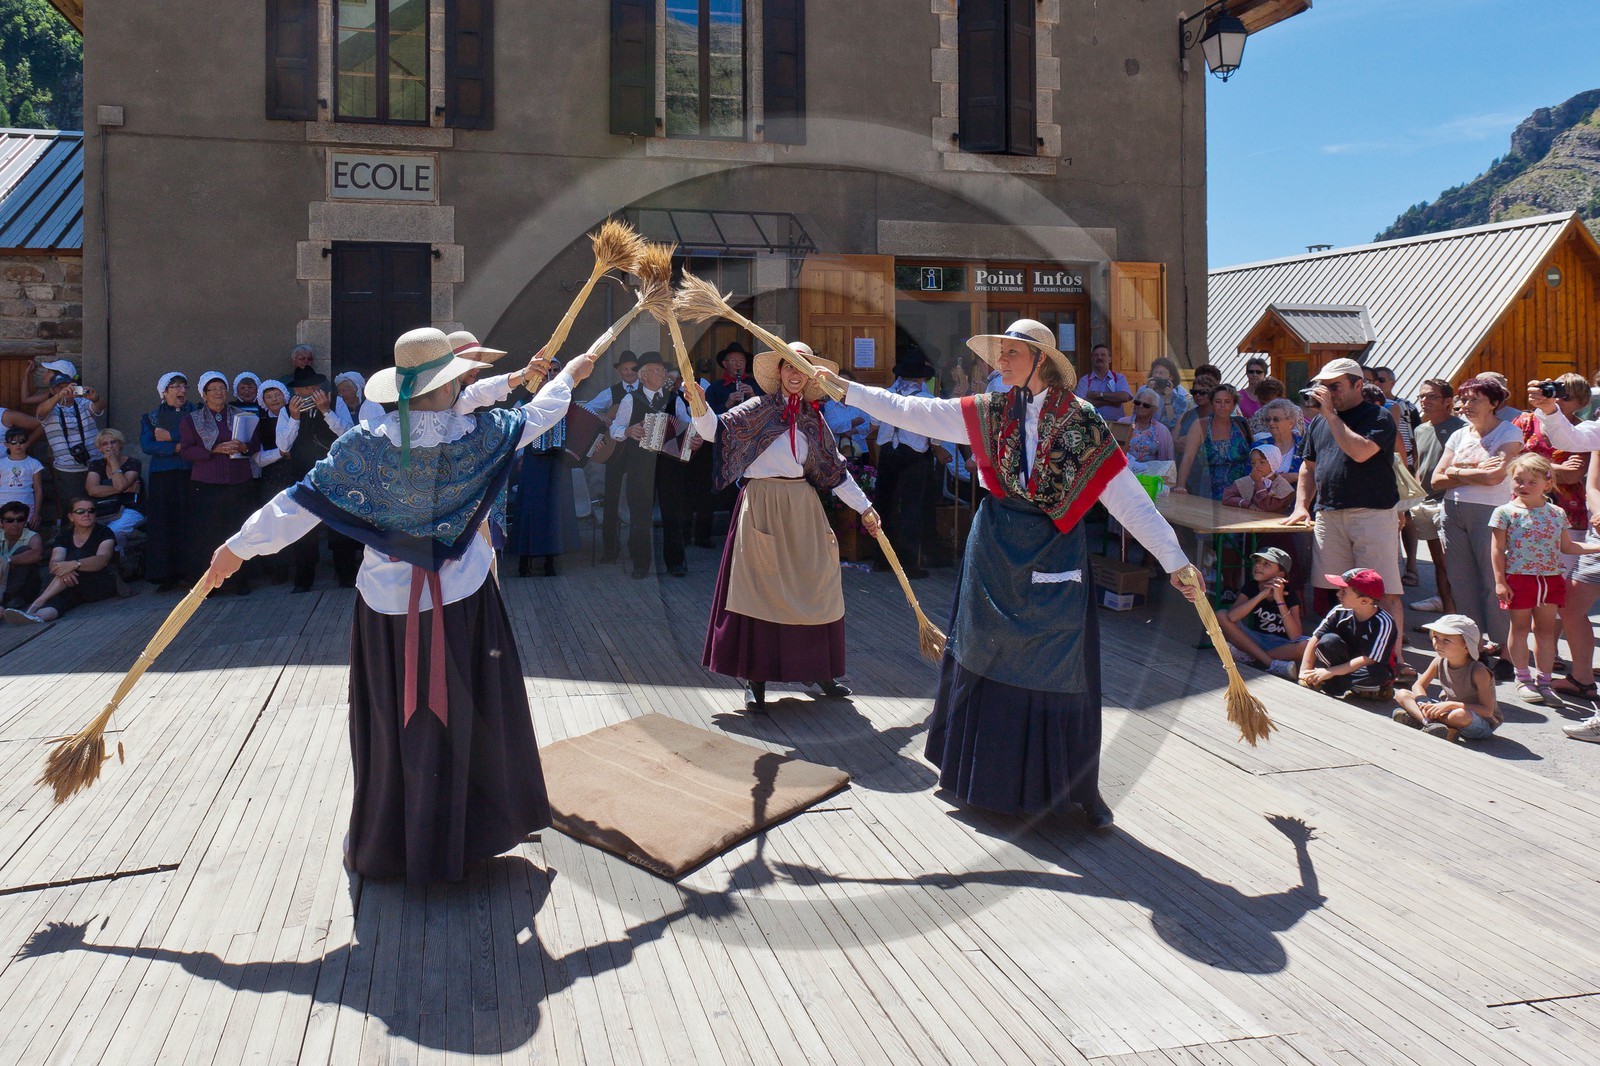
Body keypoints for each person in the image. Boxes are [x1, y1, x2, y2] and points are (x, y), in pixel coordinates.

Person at [205, 327, 596, 883]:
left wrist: (236, 549)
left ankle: (397, 837)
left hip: (388, 609)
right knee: (473, 711)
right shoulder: (477, 435)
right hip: (463, 602)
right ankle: (473, 831)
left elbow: (295, 505)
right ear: (445, 384)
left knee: (396, 720)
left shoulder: (364, 445)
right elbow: (543, 414)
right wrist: (570, 375)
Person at [818, 318, 1199, 828]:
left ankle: (1072, 788)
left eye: (1011, 352)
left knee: (1057, 666)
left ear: (1041, 359)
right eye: (998, 352)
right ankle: (977, 779)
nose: (999, 360)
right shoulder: (990, 412)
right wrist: (845, 388)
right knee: (983, 653)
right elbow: (914, 412)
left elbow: (1127, 497)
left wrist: (1174, 560)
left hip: (1055, 554)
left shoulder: (1082, 422)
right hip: (994, 551)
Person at [683, 343, 880, 713]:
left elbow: (835, 472)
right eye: (790, 366)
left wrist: (866, 509)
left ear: (809, 377)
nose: (795, 374)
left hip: (802, 508)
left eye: (803, 368)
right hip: (762, 506)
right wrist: (697, 401)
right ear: (779, 371)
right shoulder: (756, 409)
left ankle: (819, 670)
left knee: (816, 587)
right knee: (759, 592)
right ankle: (754, 680)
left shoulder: (813, 420)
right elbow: (713, 431)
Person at [1282, 358, 1406, 654]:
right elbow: (1308, 468)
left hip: (1372, 514)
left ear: (1358, 385)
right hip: (1330, 513)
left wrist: (1330, 415)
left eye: (1335, 386)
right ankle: (1354, 652)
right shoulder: (1320, 423)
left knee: (1383, 591)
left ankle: (1393, 657)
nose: (1328, 392)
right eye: (1323, 386)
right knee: (1342, 592)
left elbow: (1361, 452)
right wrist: (1302, 506)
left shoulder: (1378, 416)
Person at [1512, 373, 1598, 701]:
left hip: (1578, 524)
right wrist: (1548, 408)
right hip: (1593, 534)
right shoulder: (1596, 427)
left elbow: (1575, 470)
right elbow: (1569, 441)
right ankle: (1581, 679)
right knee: (1571, 606)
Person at [1491, 453, 1600, 704]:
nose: (1524, 486)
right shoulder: (1504, 512)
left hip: (1550, 579)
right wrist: (1500, 581)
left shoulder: (1556, 513)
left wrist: (1596, 548)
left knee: (1545, 631)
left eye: (1532, 481)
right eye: (1519, 480)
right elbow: (1496, 549)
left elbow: (1568, 547)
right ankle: (1523, 678)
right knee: (1519, 628)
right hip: (1519, 578)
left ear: (1547, 485)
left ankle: (1544, 680)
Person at [1431, 377, 1521, 659]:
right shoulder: (1459, 435)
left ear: (1494, 403)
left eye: (1474, 400)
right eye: (1464, 399)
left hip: (1491, 514)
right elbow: (1435, 479)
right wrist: (1474, 470)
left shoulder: (1508, 433)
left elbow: (1495, 477)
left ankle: (1506, 650)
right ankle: (1475, 644)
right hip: (1453, 512)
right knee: (1461, 580)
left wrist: (1457, 470)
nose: (1466, 405)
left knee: (1493, 579)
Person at [609, 351, 695, 578]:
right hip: (639, 465)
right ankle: (640, 563)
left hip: (669, 466)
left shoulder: (675, 398)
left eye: (662, 370)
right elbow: (614, 429)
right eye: (656, 370)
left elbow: (686, 427)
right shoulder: (630, 399)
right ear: (644, 376)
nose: (662, 374)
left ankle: (676, 562)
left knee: (672, 513)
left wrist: (693, 439)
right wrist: (628, 430)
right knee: (640, 515)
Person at [180, 371, 261, 596]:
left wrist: (242, 447)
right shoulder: (192, 419)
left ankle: (240, 581)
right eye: (213, 389)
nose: (218, 393)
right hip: (207, 485)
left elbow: (254, 444)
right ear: (204, 395)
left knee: (238, 533)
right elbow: (186, 451)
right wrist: (213, 449)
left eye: (222, 388)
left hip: (239, 482)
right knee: (209, 534)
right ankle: (210, 585)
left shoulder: (241, 415)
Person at [279, 366, 360, 590]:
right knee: (304, 529)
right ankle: (304, 580)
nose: (312, 391)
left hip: (333, 472)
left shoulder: (336, 403)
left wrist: (326, 412)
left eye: (315, 387)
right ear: (297, 390)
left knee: (339, 525)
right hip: (303, 474)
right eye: (306, 388)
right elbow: (283, 446)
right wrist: (294, 418)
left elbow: (348, 434)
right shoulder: (287, 410)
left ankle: (346, 576)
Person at [873, 350, 942, 577]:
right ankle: (909, 565)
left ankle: (882, 560)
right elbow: (936, 435)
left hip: (888, 454)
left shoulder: (885, 395)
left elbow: (873, 422)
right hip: (913, 456)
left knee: (884, 505)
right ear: (921, 378)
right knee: (912, 509)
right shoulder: (927, 401)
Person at [509, 358, 578, 577]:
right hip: (534, 461)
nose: (552, 375)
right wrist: (519, 455)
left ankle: (551, 559)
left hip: (558, 462)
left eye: (557, 371)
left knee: (555, 510)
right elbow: (512, 431)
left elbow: (577, 426)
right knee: (531, 509)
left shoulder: (566, 400)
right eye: (549, 371)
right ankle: (524, 560)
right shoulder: (526, 401)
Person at [4, 497, 117, 624]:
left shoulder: (104, 532)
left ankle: (36, 604)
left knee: (70, 576)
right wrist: (65, 569)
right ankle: (37, 617)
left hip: (101, 581)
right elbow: (54, 563)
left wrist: (74, 565)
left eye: (91, 511)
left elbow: (102, 560)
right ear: (71, 516)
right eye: (80, 511)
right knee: (61, 598)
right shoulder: (64, 536)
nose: (87, 514)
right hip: (73, 582)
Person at [1407, 378, 1466, 613]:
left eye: (1431, 396)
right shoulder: (1420, 429)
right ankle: (1447, 615)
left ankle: (1460, 617)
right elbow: (1417, 466)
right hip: (1424, 502)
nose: (1425, 401)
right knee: (1439, 564)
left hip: (1450, 502)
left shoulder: (1461, 430)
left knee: (1453, 564)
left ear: (1448, 401)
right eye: (1422, 396)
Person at [1393, 615, 1498, 741]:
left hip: (1476, 720)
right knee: (1402, 694)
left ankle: (1422, 720)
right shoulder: (1439, 660)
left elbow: (1487, 710)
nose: (1438, 644)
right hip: (1445, 709)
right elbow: (1418, 685)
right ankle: (1428, 722)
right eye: (1436, 637)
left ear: (1467, 646)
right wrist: (1425, 702)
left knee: (1459, 715)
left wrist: (1450, 705)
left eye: (1446, 640)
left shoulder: (1479, 672)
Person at [1299, 568, 1398, 700]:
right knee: (1327, 641)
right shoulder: (1339, 610)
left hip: (1368, 666)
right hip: (1343, 662)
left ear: (1365, 601)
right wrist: (1304, 670)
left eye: (1344, 592)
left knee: (1377, 675)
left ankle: (1333, 681)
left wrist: (1329, 672)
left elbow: (1368, 659)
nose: (1338, 594)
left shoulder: (1384, 622)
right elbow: (1316, 637)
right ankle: (1350, 686)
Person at [140, 372, 194, 591]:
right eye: (175, 387)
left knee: (189, 522)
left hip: (190, 473)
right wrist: (178, 448)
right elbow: (148, 445)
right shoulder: (151, 416)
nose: (181, 391)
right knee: (165, 524)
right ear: (164, 392)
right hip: (163, 476)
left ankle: (191, 572)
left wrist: (171, 437)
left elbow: (199, 436)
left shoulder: (195, 411)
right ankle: (166, 575)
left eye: (183, 386)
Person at [1218, 547, 1305, 677]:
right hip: (1255, 639)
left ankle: (1251, 657)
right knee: (1221, 615)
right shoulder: (1251, 586)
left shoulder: (1289, 594)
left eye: (1266, 564)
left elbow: (1295, 636)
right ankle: (1271, 663)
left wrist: (1279, 599)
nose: (1258, 565)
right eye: (1257, 561)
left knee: (1306, 645)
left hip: (1281, 646)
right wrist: (1262, 595)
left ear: (1280, 574)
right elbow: (1232, 617)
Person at [588, 350, 641, 563]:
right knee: (610, 501)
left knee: (637, 501)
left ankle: (636, 548)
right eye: (625, 369)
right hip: (614, 454)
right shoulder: (611, 393)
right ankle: (610, 549)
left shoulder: (646, 392)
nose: (629, 373)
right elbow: (586, 408)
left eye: (633, 369)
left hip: (638, 454)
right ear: (619, 371)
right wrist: (601, 416)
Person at [35, 371, 105, 520]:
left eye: (67, 386)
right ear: (52, 390)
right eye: (59, 387)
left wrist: (96, 398)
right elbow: (40, 411)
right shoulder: (51, 408)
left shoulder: (83, 403)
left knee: (96, 507)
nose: (65, 389)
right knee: (74, 509)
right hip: (67, 470)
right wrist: (59, 397)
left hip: (94, 464)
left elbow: (99, 407)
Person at [1175, 383, 1251, 500]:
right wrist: (1180, 486)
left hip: (1241, 492)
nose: (1222, 406)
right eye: (1218, 401)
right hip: (1210, 494)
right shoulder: (1200, 426)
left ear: (1234, 405)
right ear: (1212, 403)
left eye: (1227, 402)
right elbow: (1188, 457)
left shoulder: (1241, 425)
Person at [84, 428, 144, 552]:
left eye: (113, 442)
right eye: (105, 444)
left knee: (113, 531)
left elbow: (121, 485)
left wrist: (113, 462)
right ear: (100, 448)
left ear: (120, 444)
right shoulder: (96, 465)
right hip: (104, 509)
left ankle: (118, 557)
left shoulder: (133, 463)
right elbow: (92, 490)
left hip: (129, 508)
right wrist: (124, 489)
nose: (109, 446)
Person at [1221, 443, 1295, 513]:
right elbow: (1227, 497)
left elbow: (1268, 507)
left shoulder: (1283, 487)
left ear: (1273, 463)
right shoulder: (1247, 481)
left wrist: (1259, 484)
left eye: (1262, 462)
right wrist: (1247, 504)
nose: (1256, 466)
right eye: (1253, 463)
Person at [0, 501, 43, 609]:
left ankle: (7, 597)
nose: (15, 524)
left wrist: (8, 560)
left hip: (25, 587)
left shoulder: (33, 536)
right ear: (1, 523)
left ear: (25, 522)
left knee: (24, 550)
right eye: (9, 520)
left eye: (20, 520)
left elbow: (36, 554)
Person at [0, 426, 45, 526]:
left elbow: (38, 489)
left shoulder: (34, 464)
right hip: (3, 504)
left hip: (26, 505)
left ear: (27, 442)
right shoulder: (1, 463)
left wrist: (36, 513)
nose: (18, 445)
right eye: (13, 442)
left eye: (22, 441)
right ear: (6, 445)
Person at [1076, 343, 1131, 422]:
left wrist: (1098, 395)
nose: (1099, 357)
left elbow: (1125, 397)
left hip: (1116, 424)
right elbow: (1080, 405)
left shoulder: (1118, 378)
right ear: (1092, 359)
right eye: (1096, 355)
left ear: (1110, 359)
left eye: (1103, 355)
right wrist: (1110, 401)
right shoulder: (1085, 380)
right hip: (1092, 423)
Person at [1120, 387, 1174, 465]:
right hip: (1125, 472)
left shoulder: (1162, 431)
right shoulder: (1122, 423)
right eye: (1138, 403)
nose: (1140, 406)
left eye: (1146, 405)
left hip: (1151, 474)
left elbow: (1168, 462)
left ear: (1154, 409)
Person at [1145, 356, 1192, 434]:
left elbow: (1172, 423)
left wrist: (1167, 400)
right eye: (1155, 372)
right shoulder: (1144, 391)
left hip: (1167, 436)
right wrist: (1149, 393)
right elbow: (1139, 416)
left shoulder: (1180, 398)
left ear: (1171, 377)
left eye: (1161, 373)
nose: (1157, 375)